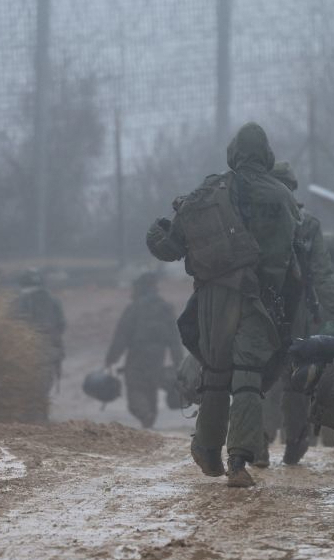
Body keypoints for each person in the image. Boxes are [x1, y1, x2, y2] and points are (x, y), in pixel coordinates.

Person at [145, 122, 299, 488]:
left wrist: (155, 230)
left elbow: (170, 246)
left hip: (213, 298)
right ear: (266, 155)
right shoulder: (281, 196)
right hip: (259, 296)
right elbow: (285, 257)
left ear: (233, 152)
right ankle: (239, 460)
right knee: (247, 375)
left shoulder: (209, 190)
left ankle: (207, 449)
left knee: (215, 373)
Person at [260, 162, 334, 466]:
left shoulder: (255, 219)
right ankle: (296, 441)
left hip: (262, 310)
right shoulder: (307, 224)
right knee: (297, 376)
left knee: (263, 375)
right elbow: (323, 275)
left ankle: (258, 441)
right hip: (297, 311)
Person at [105, 271, 184, 429]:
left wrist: (111, 359)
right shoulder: (165, 308)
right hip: (158, 355)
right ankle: (150, 418)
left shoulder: (134, 307)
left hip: (137, 354)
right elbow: (175, 338)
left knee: (135, 387)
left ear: (140, 287)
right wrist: (179, 363)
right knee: (151, 387)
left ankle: (145, 414)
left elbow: (121, 335)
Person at [12, 268, 66, 396]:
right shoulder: (54, 301)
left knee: (25, 393)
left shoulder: (17, 302)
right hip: (49, 353)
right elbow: (62, 325)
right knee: (42, 394)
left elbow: (9, 326)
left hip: (24, 355)